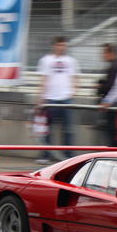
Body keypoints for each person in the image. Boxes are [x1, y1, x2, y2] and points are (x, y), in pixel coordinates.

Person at [36, 35, 80, 164]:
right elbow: (43, 80)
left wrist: (73, 93)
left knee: (68, 129)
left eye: (64, 45)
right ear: (54, 45)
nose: (62, 47)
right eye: (59, 44)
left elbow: (76, 78)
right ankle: (46, 155)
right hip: (50, 99)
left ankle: (68, 155)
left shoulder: (71, 61)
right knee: (48, 129)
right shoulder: (46, 60)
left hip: (66, 99)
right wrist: (41, 98)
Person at [96, 43, 117, 146]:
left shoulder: (115, 67)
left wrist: (100, 87)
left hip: (113, 105)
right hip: (112, 104)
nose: (103, 55)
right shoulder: (115, 66)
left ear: (111, 53)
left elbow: (112, 86)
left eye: (104, 53)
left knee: (113, 131)